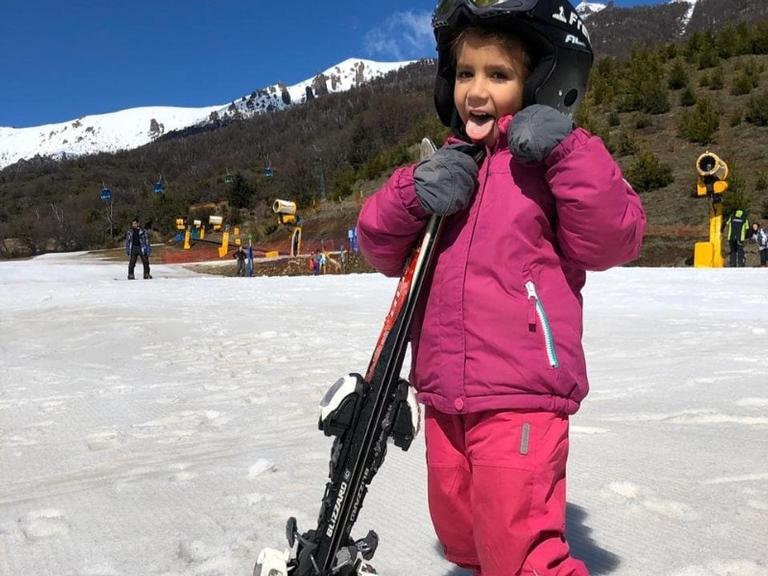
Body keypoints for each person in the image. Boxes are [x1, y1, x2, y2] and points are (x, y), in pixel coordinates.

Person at [356, 2, 646, 575]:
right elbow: (378, 246)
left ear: (540, 81)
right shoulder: (446, 168)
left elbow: (614, 238)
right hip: (444, 394)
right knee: (463, 536)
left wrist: (566, 151)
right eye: (466, 74)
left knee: (518, 552)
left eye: (498, 74)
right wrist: (412, 191)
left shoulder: (552, 164)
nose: (477, 91)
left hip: (521, 393)